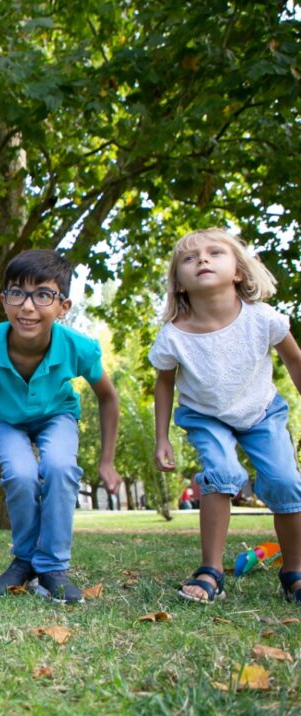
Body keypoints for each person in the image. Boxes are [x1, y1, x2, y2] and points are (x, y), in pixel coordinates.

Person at [0, 249, 121, 604]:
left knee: (59, 466)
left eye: (43, 295)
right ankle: (25, 560)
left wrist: (107, 460)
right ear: (4, 299)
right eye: (17, 293)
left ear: (63, 306)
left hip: (56, 414)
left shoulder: (79, 348)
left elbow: (108, 397)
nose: (27, 307)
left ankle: (53, 568)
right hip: (4, 418)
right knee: (22, 474)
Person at [150, 228, 301, 604]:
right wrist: (162, 437)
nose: (202, 259)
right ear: (179, 284)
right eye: (189, 258)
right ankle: (211, 570)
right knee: (222, 474)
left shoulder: (263, 318)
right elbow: (164, 384)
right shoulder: (173, 336)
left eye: (215, 252)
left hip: (261, 412)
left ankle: (294, 572)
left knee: (285, 482)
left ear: (238, 272)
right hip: (206, 416)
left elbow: (295, 362)